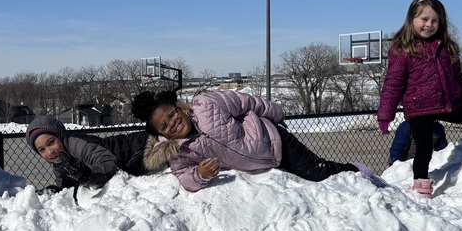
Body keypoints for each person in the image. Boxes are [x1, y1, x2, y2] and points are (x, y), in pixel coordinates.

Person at [133, 89, 377, 192]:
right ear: (162, 134)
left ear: (180, 108)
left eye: (172, 114)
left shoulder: (206, 104)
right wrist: (201, 174)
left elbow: (247, 102)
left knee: (315, 172)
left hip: (273, 139)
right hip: (263, 164)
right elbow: (184, 177)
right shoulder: (177, 152)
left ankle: (356, 170)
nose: (173, 123)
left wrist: (276, 113)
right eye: (165, 125)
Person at [377, 0, 462, 198]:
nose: (429, 25)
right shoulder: (402, 49)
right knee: (424, 150)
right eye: (424, 19)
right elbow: (393, 83)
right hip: (419, 108)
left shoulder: (447, 47)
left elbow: (458, 77)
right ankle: (421, 188)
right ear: (412, 20)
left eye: (434, 20)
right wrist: (385, 115)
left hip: (448, 104)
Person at [26, 116, 155, 195]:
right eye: (42, 150)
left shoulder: (76, 144)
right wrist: (55, 191)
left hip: (136, 148)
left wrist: (87, 173)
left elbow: (111, 164)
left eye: (51, 142)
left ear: (60, 136)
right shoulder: (59, 162)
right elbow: (68, 186)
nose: (50, 152)